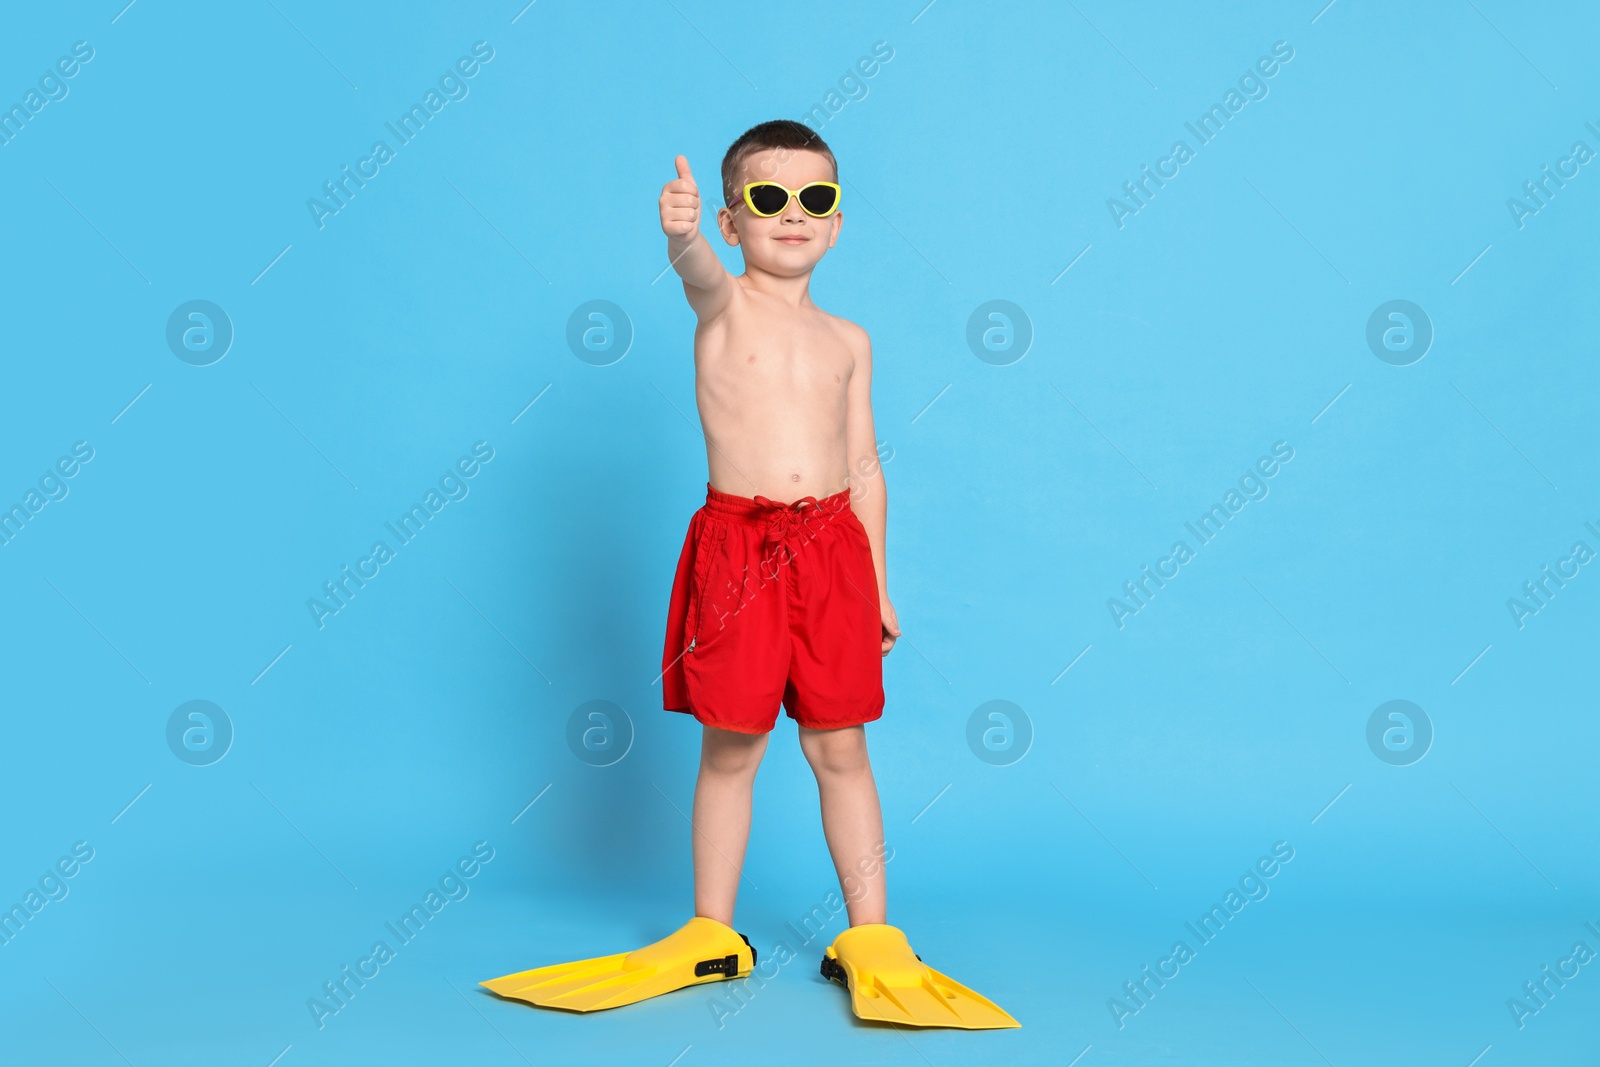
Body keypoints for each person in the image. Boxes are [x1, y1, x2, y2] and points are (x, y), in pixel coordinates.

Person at [480, 120, 1017, 1030]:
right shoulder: (724, 306)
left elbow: (866, 468)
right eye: (769, 199)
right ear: (736, 222)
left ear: (839, 220)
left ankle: (872, 935)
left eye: (816, 199)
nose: (794, 214)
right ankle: (712, 930)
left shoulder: (851, 339)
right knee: (732, 745)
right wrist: (679, 232)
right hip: (739, 552)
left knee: (841, 745)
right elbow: (691, 272)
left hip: (834, 551)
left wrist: (879, 581)